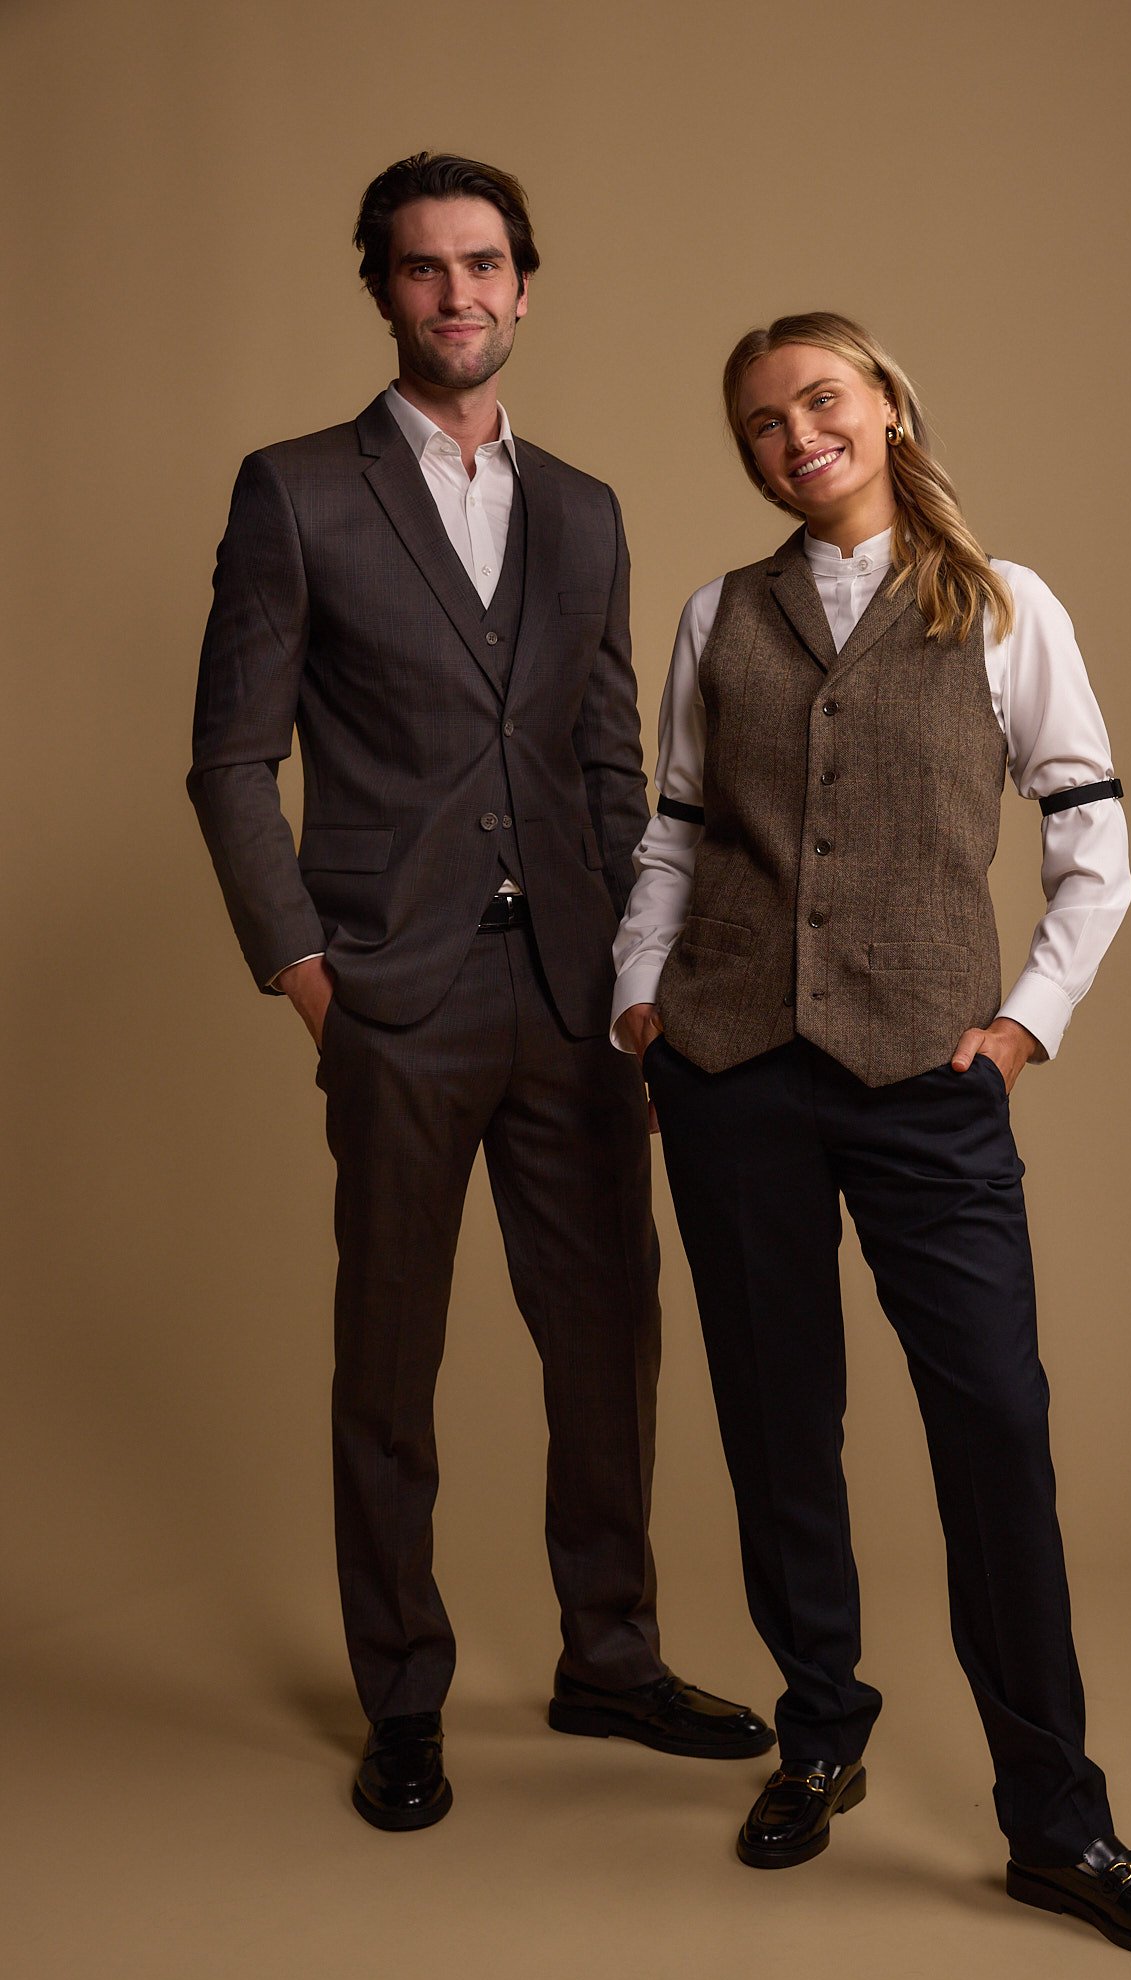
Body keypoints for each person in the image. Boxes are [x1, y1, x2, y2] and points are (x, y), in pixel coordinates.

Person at [612, 311, 1131, 1961]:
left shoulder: (1003, 605)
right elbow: (675, 833)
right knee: (776, 1420)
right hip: (729, 1070)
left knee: (994, 1430)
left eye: (819, 399)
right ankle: (820, 1728)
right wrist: (636, 1000)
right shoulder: (716, 615)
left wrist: (1023, 1022)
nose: (792, 435)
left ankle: (1057, 1820)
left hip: (926, 1078)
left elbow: (1090, 838)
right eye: (759, 422)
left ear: (883, 405)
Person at [188, 152, 772, 1833]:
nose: (458, 293)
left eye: (484, 263)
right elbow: (230, 759)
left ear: (525, 283)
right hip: (394, 992)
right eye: (423, 267)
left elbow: (609, 762)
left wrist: (638, 980)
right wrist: (309, 975)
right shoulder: (297, 491)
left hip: (575, 996)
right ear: (381, 288)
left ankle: (611, 1658)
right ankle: (402, 1694)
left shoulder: (583, 509)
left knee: (610, 1340)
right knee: (391, 1355)